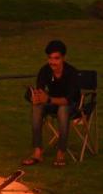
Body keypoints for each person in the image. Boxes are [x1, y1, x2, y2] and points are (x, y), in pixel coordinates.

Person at [22, 39, 82, 168]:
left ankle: (61, 152)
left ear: (63, 58)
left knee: (63, 110)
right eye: (50, 58)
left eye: (56, 58)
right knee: (37, 108)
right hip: (52, 103)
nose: (52, 62)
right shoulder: (45, 70)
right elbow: (40, 91)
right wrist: (35, 97)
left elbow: (68, 99)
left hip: (71, 106)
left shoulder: (72, 73)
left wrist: (48, 99)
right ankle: (37, 152)